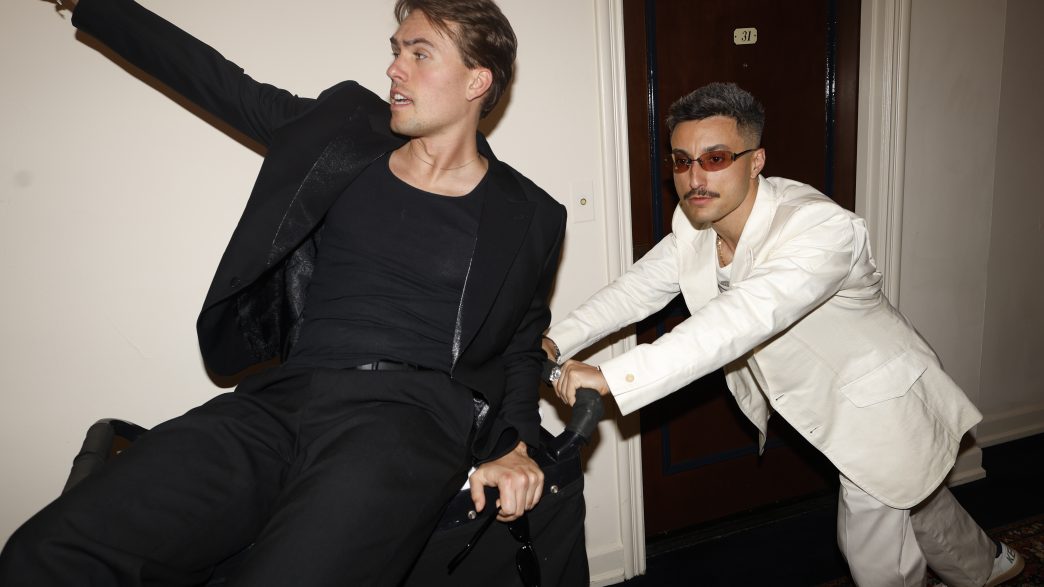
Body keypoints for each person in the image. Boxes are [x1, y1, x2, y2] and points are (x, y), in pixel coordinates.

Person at [0, 0, 567, 585]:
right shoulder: (346, 129)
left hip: (408, 423)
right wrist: (95, 5)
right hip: (281, 401)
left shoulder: (529, 214)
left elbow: (519, 346)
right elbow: (224, 84)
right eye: (397, 50)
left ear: (477, 81)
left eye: (420, 54)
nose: (395, 67)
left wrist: (517, 446)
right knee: (48, 550)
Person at [542, 82, 1024, 587]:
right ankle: (988, 565)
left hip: (882, 403)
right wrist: (555, 341)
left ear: (756, 161)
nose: (695, 178)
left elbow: (740, 317)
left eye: (715, 158)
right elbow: (636, 289)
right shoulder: (697, 225)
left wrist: (611, 376)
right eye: (682, 161)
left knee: (875, 552)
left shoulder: (820, 229)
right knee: (915, 493)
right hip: (826, 396)